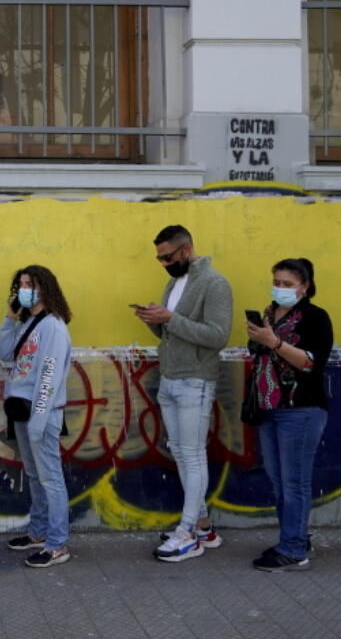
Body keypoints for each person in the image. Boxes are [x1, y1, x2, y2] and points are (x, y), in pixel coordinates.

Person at [135, 225, 232, 562]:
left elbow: (218, 336)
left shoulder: (214, 284)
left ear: (187, 249)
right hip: (171, 378)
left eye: (168, 256)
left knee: (192, 454)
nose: (163, 263)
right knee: (179, 450)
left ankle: (189, 532)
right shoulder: (174, 282)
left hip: (196, 380)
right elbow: (170, 332)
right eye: (159, 258)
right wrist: (153, 319)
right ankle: (203, 525)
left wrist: (171, 318)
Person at [244, 258, 333, 572]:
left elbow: (312, 363)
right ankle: (292, 537)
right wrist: (260, 338)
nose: (279, 289)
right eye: (276, 282)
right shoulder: (269, 313)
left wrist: (274, 342)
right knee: (279, 481)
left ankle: (294, 549)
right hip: (269, 407)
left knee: (295, 482)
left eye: (287, 284)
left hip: (302, 409)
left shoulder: (315, 317)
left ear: (304, 286)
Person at [0, 265, 73, 568]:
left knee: (50, 478)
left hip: (41, 413)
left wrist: (39, 422)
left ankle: (57, 545)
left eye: (30, 284)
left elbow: (49, 377)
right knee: (34, 475)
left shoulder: (53, 327)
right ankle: (39, 532)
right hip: (21, 409)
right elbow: (4, 355)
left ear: (45, 288)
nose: (24, 289)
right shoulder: (28, 324)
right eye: (21, 284)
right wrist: (9, 319)